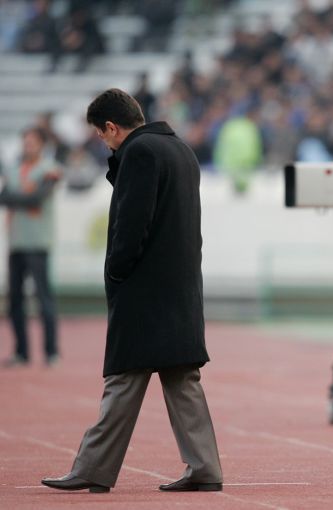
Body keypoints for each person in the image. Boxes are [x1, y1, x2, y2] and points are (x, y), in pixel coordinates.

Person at [41, 89, 223, 493]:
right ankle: (205, 467)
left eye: (100, 134)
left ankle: (92, 468)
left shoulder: (140, 152)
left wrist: (116, 271)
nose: (102, 142)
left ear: (111, 127)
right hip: (180, 286)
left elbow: (132, 223)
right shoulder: (180, 149)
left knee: (123, 379)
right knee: (182, 378)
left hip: (144, 289)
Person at [0, 127, 61, 367]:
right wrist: (23, 197)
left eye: (32, 142)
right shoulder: (14, 169)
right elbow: (4, 197)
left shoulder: (50, 169)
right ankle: (21, 352)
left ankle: (51, 351)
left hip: (38, 241)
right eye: (25, 142)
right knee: (15, 300)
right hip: (16, 241)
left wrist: (17, 197)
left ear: (42, 145)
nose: (28, 147)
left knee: (44, 298)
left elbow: (36, 198)